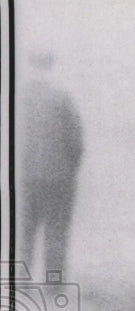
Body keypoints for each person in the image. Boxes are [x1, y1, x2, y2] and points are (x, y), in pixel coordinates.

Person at [18, 50, 83, 278]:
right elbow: (76, 142)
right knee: (56, 233)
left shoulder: (18, 99)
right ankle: (53, 287)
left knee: (24, 233)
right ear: (51, 66)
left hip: (25, 178)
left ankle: (21, 285)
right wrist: (71, 171)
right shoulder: (62, 98)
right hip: (59, 178)